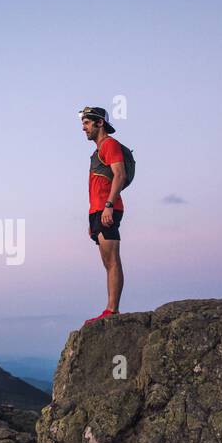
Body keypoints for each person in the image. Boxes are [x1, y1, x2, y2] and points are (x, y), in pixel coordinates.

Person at [79, 106, 125, 324]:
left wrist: (108, 206)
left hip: (109, 209)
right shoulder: (97, 151)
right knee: (107, 262)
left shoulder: (110, 145)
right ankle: (110, 308)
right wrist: (92, 217)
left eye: (87, 123)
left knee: (113, 260)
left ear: (99, 123)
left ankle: (112, 309)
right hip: (97, 211)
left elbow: (120, 175)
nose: (83, 128)